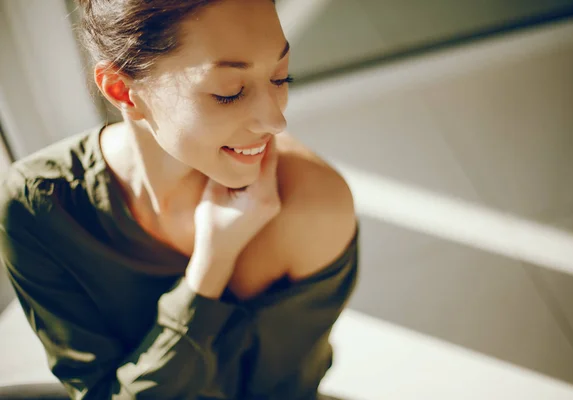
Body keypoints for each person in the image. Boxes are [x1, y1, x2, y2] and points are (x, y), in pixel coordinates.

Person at [0, 0, 358, 399]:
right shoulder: (41, 205)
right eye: (230, 92)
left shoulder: (313, 207)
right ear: (124, 92)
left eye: (280, 78)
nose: (275, 120)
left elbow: (283, 389)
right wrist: (209, 270)